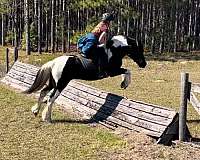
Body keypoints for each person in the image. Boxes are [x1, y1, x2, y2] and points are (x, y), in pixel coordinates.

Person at [77, 12, 114, 78]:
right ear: (108, 21)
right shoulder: (105, 27)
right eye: (111, 21)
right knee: (103, 55)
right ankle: (101, 72)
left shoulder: (100, 24)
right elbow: (100, 39)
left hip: (89, 37)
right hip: (93, 40)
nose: (111, 23)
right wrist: (103, 45)